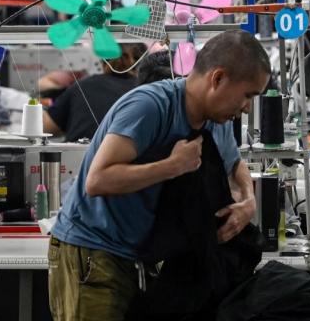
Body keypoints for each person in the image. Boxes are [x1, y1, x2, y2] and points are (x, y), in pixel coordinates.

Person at [48, 30, 269, 320]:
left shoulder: (217, 119)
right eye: (248, 95)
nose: (248, 107)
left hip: (140, 257)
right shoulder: (149, 107)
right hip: (93, 253)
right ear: (217, 79)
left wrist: (248, 201)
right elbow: (97, 180)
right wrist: (173, 165)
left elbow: (234, 162)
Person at [41, 44, 146, 142]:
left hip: (78, 158)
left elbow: (45, 127)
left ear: (102, 62)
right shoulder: (145, 91)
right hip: (127, 158)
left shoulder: (83, 85)